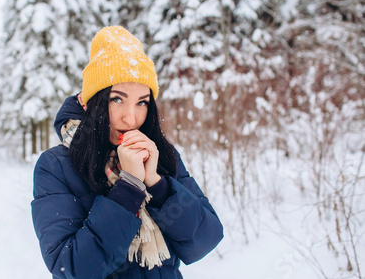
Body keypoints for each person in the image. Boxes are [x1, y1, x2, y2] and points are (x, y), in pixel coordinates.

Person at [31, 26, 223, 279]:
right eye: (117, 99)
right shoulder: (56, 166)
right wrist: (129, 187)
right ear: (90, 103)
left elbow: (205, 239)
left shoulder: (162, 155)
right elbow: (72, 267)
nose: (131, 117)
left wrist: (157, 184)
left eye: (142, 102)